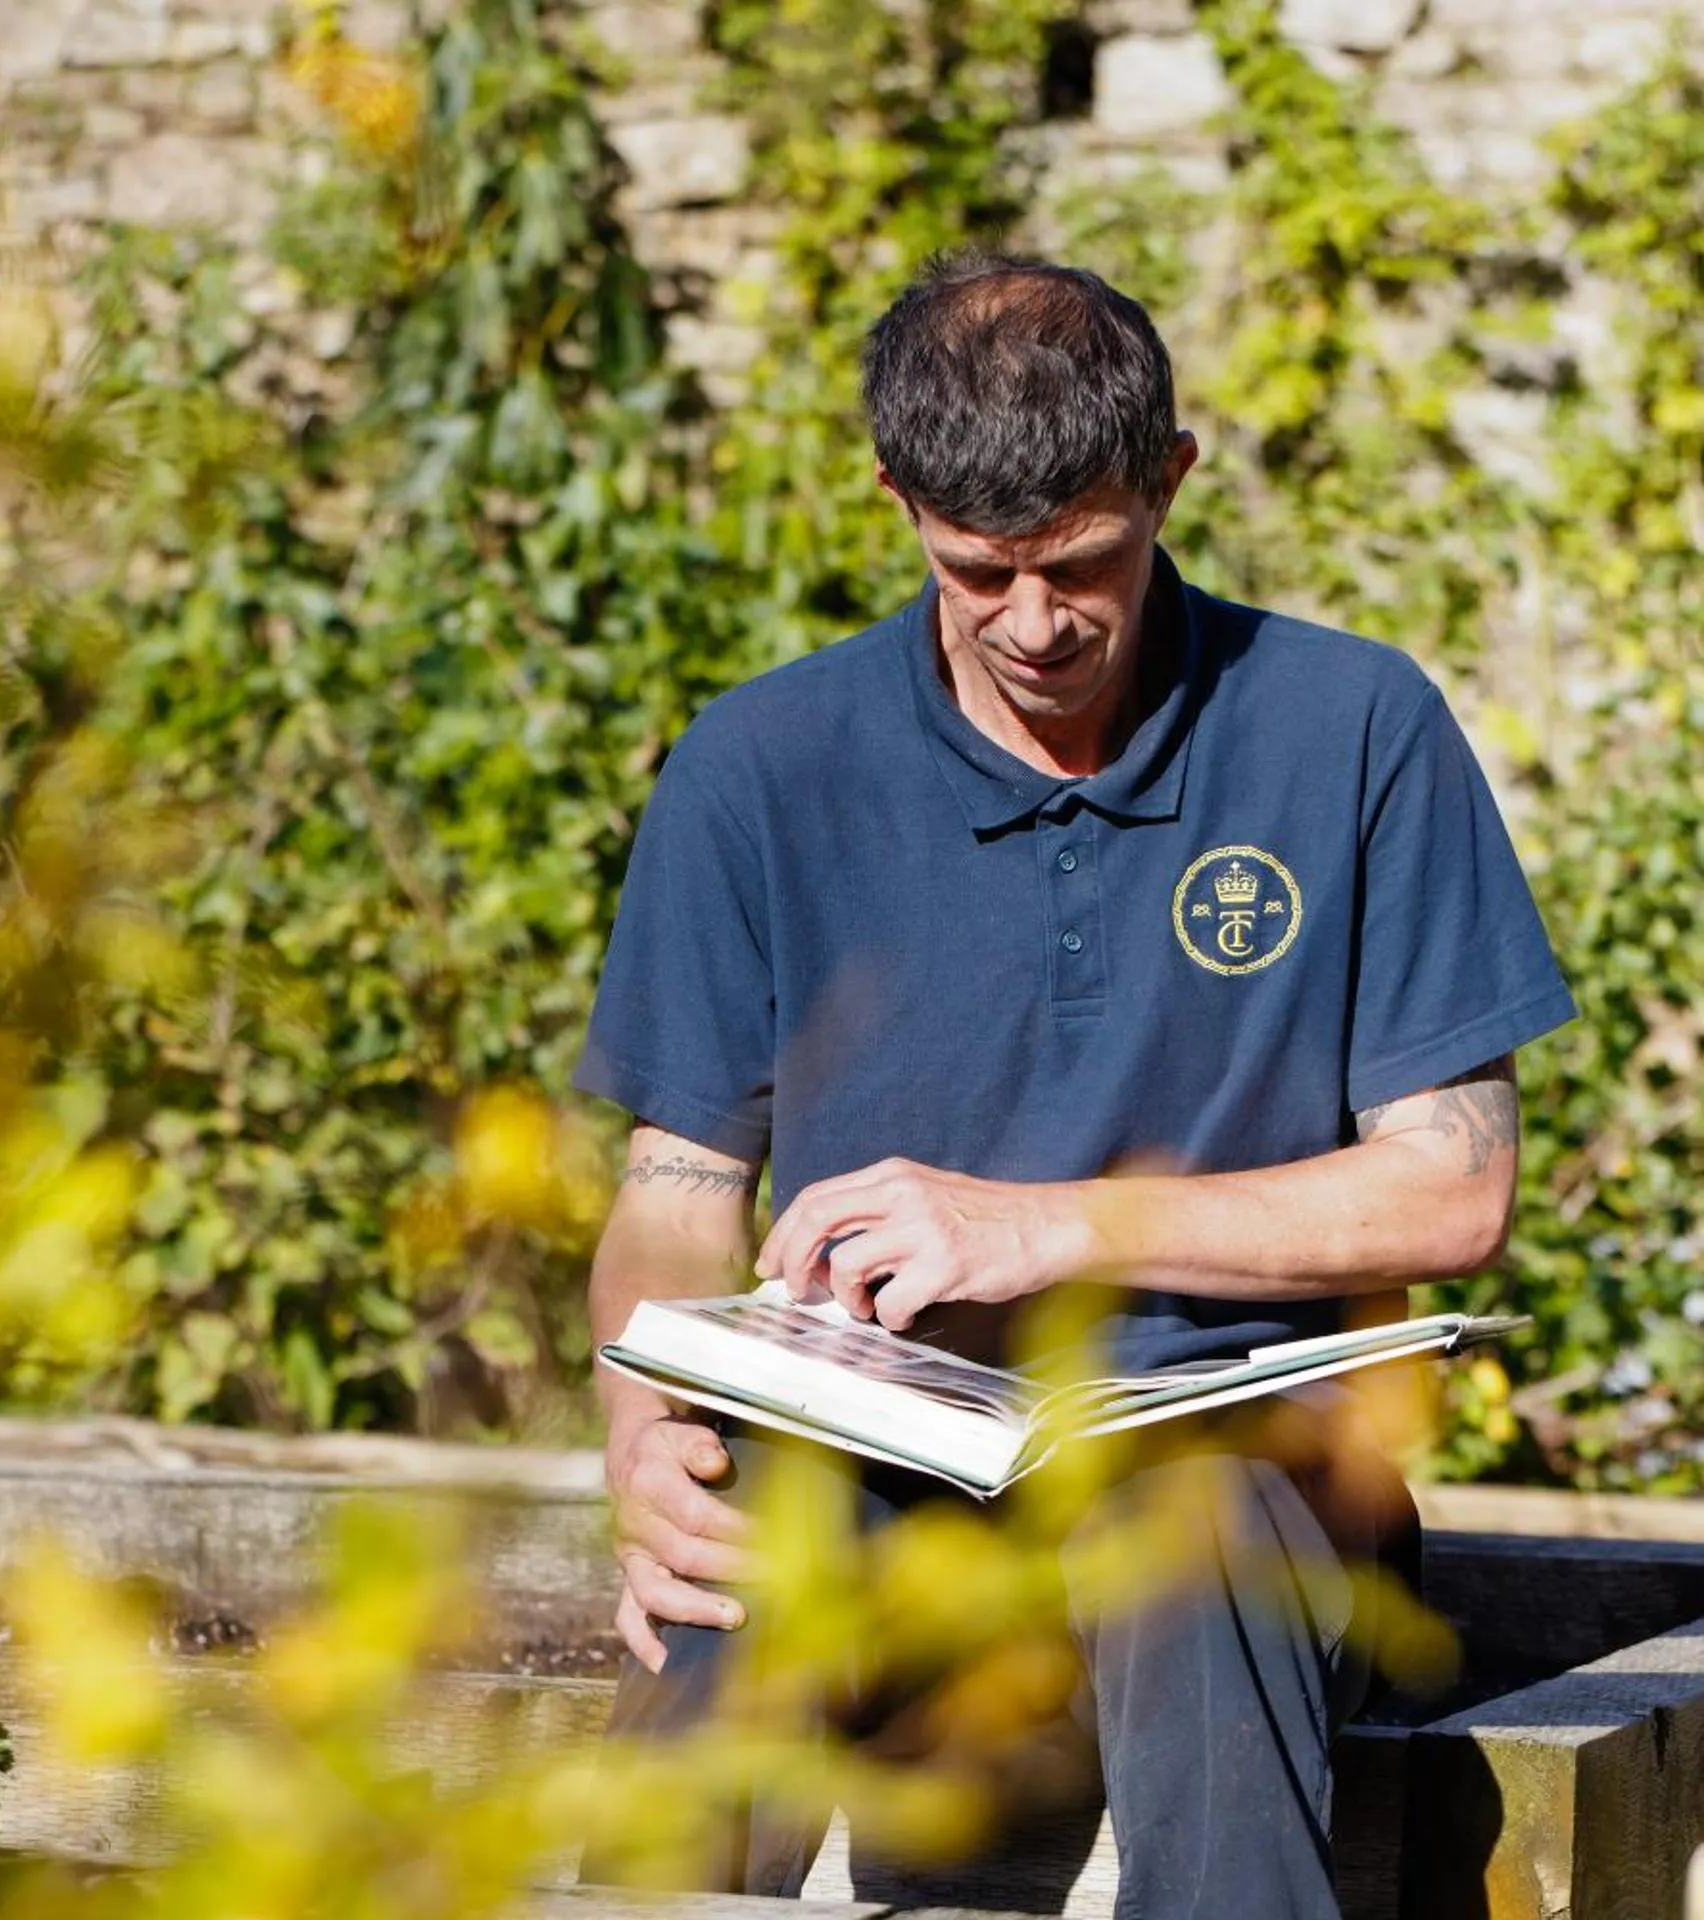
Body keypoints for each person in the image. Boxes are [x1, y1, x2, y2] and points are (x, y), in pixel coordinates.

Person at [571, 252, 1574, 1919]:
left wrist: (1045, 1229)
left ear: (1171, 480)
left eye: (1086, 565)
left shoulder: (1352, 725)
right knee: (735, 1579)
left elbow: (1453, 1188)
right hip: (878, 1463)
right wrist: (645, 1439)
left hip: (1248, 1483)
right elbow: (673, 1191)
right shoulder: (760, 765)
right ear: (895, 500)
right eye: (980, 574)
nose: (1037, 626)